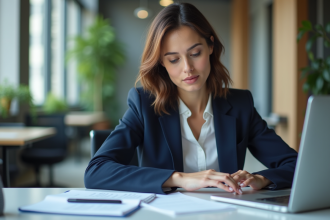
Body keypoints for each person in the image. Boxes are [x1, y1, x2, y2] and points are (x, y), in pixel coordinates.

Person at [84, 3, 298, 195]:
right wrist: (181, 179)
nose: (188, 68)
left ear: (210, 47)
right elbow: (96, 171)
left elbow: (296, 164)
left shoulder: (240, 104)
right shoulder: (144, 104)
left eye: (195, 53)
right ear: (162, 63)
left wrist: (262, 179)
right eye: (174, 59)